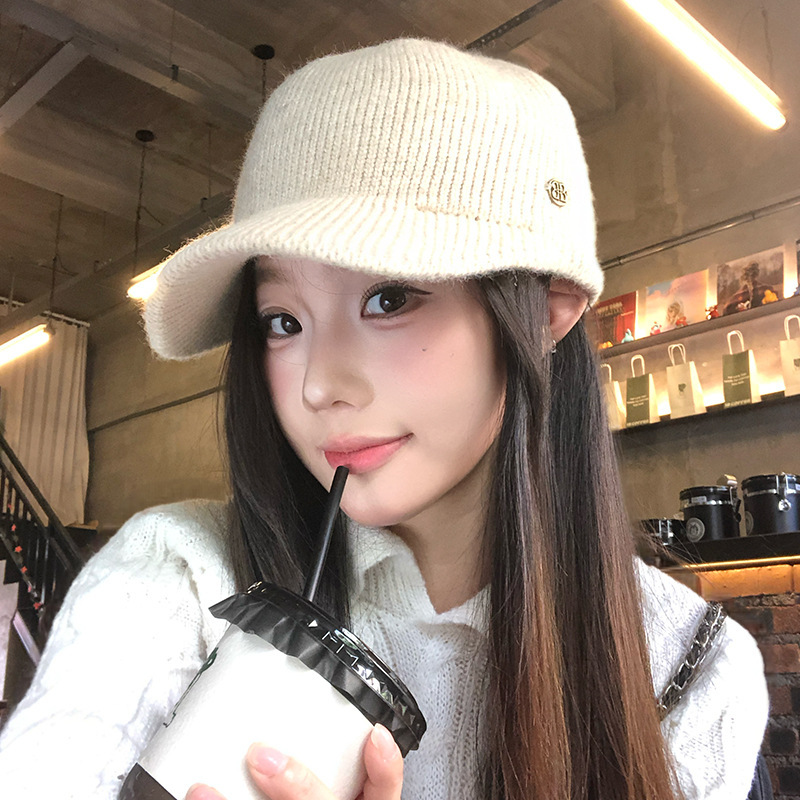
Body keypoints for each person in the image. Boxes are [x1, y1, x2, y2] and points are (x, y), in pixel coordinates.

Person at [0, 38, 767, 800]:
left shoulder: (686, 669)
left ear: (543, 312)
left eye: (389, 298)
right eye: (282, 321)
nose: (318, 387)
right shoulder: (181, 576)